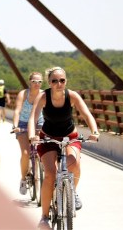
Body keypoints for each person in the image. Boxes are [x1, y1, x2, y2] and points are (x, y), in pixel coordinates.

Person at [27, 66, 99, 229]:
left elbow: (87, 114)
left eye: (62, 80)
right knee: (50, 174)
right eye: (55, 81)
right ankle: (44, 217)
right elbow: (33, 117)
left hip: (69, 136)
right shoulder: (43, 96)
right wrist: (33, 135)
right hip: (48, 138)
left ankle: (72, 193)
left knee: (76, 165)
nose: (59, 83)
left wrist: (94, 131)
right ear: (49, 82)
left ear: (66, 81)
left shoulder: (72, 96)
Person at [11, 72, 44, 195]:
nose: (37, 84)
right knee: (25, 153)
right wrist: (15, 125)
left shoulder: (43, 95)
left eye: (39, 82)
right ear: (29, 81)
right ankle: (23, 179)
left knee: (44, 151)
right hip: (23, 125)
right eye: (34, 81)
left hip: (39, 123)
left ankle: (42, 171)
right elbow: (17, 111)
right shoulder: (24, 94)